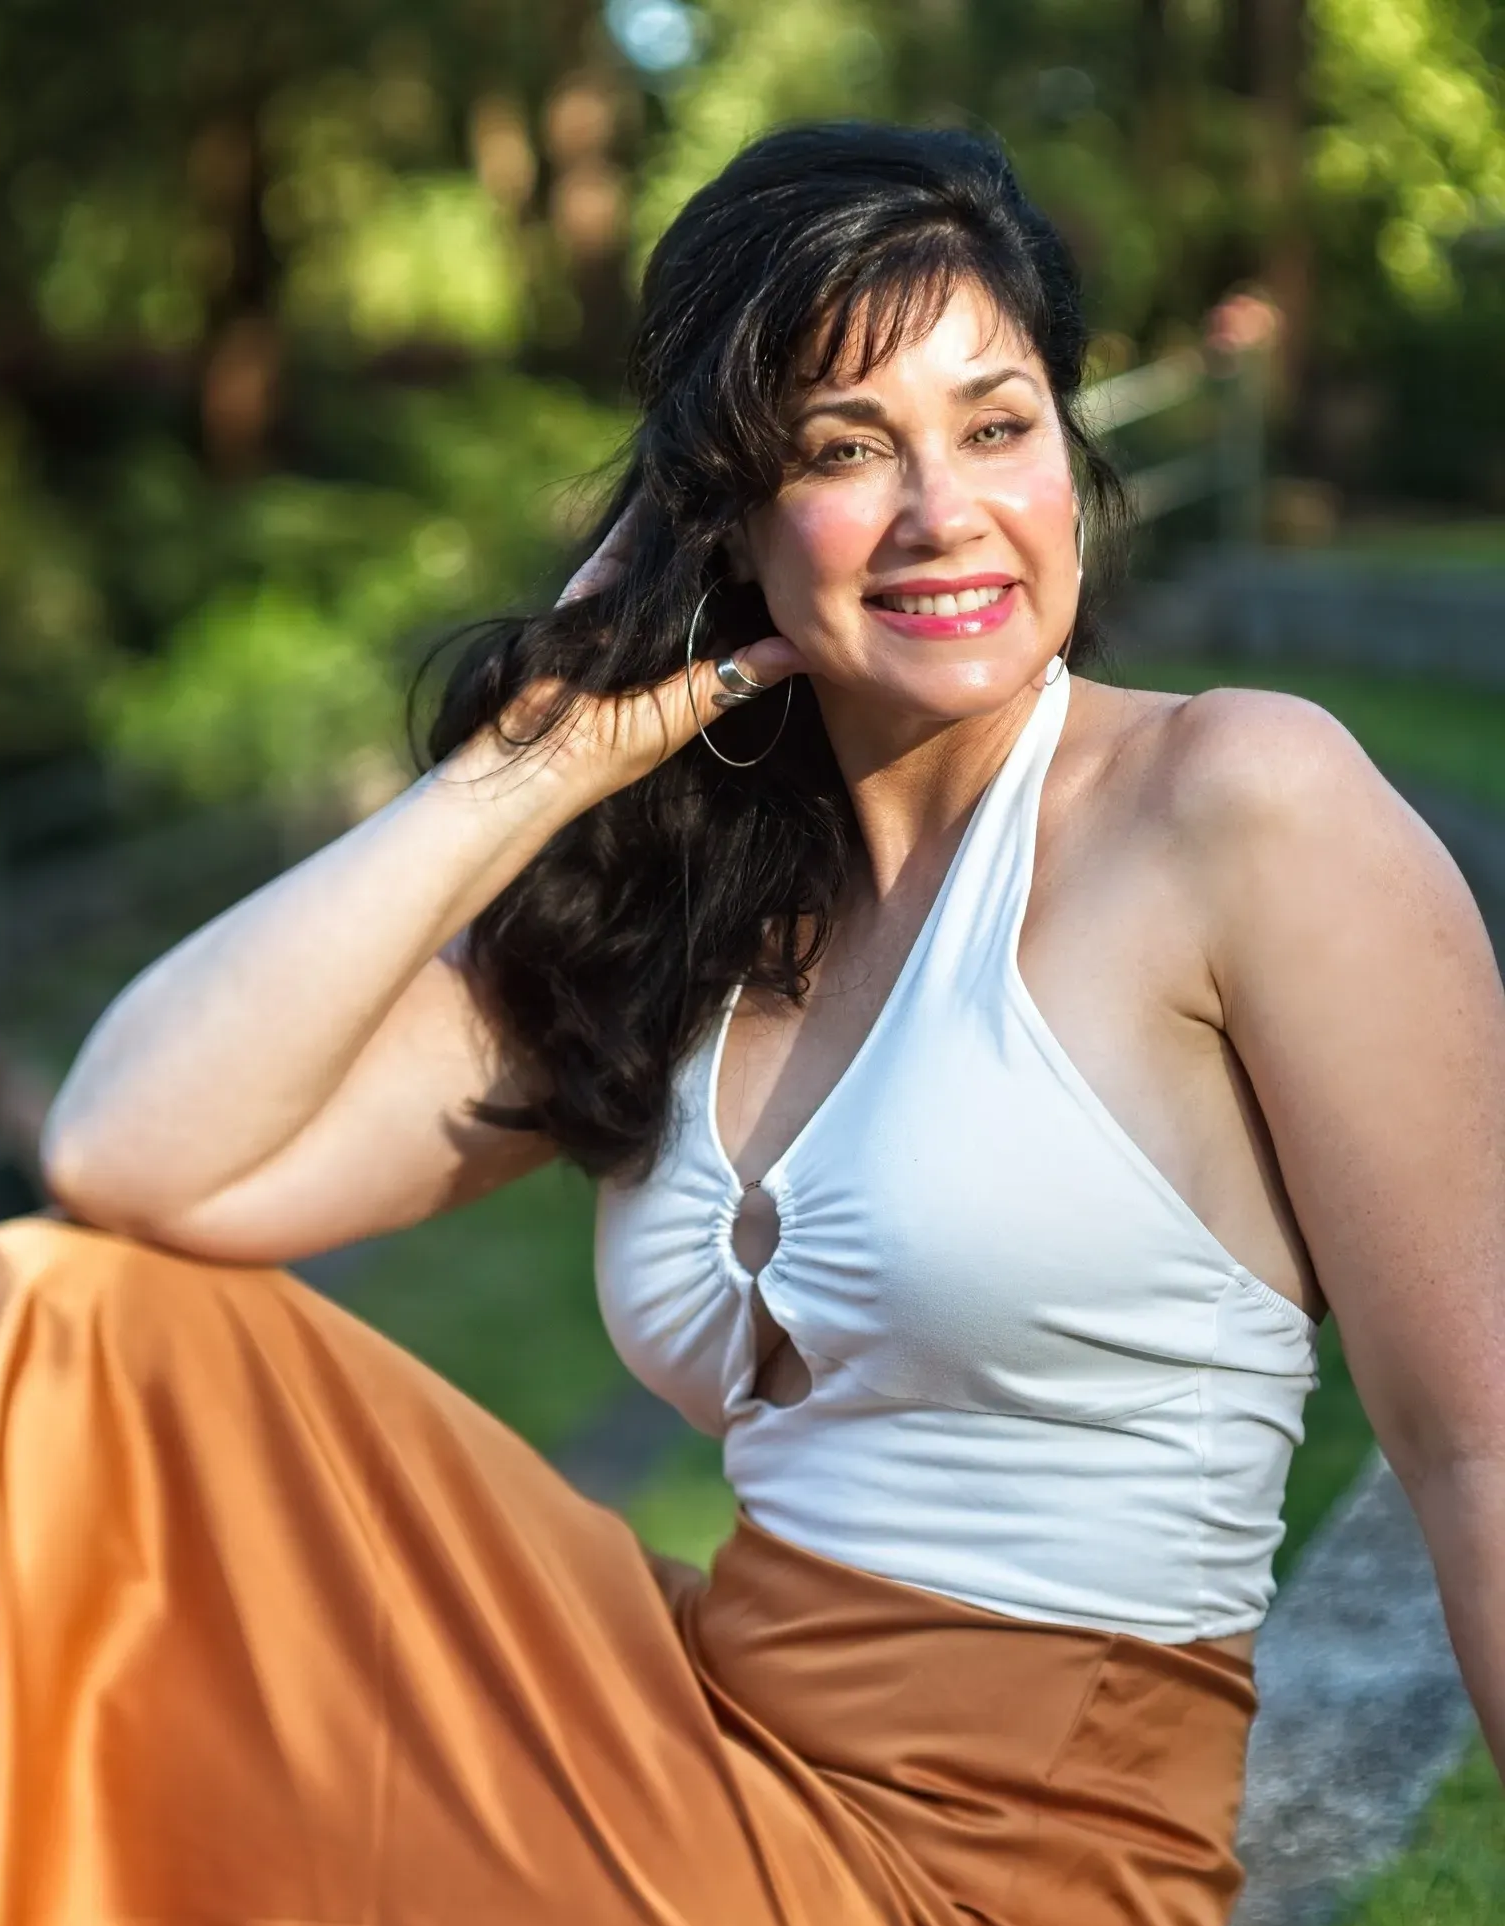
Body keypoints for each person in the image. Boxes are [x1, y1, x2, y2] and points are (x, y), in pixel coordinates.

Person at [3, 121, 1501, 1926]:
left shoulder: (1238, 803)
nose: (944, 510)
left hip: (1004, 1873)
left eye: (996, 422)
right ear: (719, 516)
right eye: (844, 449)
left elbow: (1477, 1445)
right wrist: (521, 777)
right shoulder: (689, 916)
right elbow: (132, 1156)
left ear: (1069, 451)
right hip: (694, 1750)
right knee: (68, 1323)